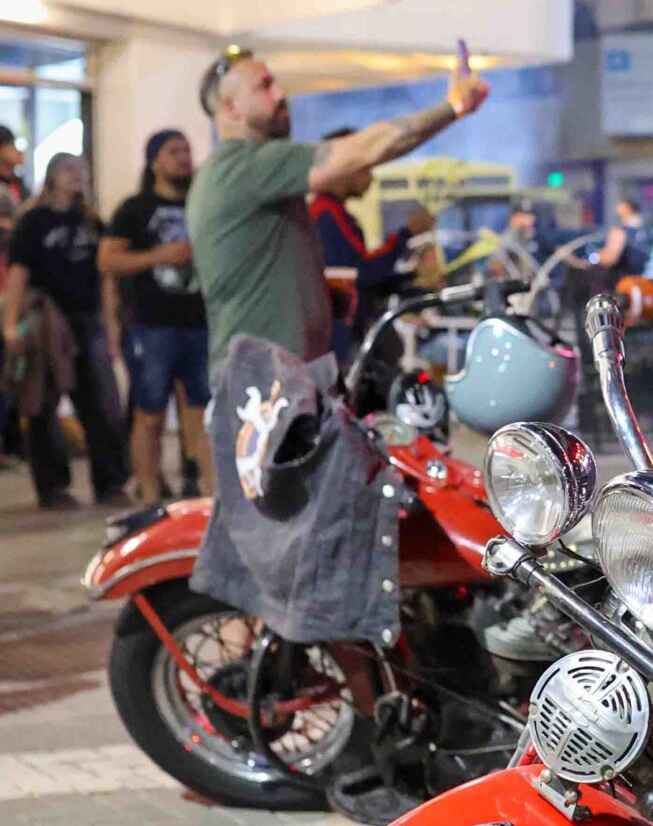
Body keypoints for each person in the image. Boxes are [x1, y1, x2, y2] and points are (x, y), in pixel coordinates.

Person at [186, 46, 489, 377]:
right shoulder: (243, 166)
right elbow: (367, 149)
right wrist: (454, 106)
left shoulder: (246, 174)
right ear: (230, 107)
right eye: (265, 86)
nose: (281, 93)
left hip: (278, 375)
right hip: (264, 381)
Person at [1, 153, 131, 509]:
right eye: (69, 170)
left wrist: (111, 323)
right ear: (52, 176)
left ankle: (110, 481)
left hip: (87, 320)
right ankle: (53, 487)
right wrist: (11, 324)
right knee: (42, 404)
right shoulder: (33, 221)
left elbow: (105, 277)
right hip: (48, 323)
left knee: (102, 402)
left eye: (81, 170)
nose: (77, 176)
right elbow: (18, 274)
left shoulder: (90, 220)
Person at [100, 129, 214, 506]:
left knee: (202, 413)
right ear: (155, 162)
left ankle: (211, 497)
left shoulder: (204, 202)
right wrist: (159, 256)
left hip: (199, 322)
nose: (183, 158)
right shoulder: (135, 209)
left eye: (187, 150)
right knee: (149, 414)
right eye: (173, 151)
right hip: (151, 325)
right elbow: (108, 261)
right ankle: (149, 498)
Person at [308, 139, 432, 359]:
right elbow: (362, 273)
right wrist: (407, 233)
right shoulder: (326, 214)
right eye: (364, 168)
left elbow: (362, 279)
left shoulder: (331, 213)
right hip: (339, 344)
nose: (371, 177)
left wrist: (414, 279)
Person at [0, 126, 23, 468]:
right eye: (11, 145)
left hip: (13, 289)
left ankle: (13, 442)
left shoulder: (18, 186)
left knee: (14, 370)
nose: (17, 151)